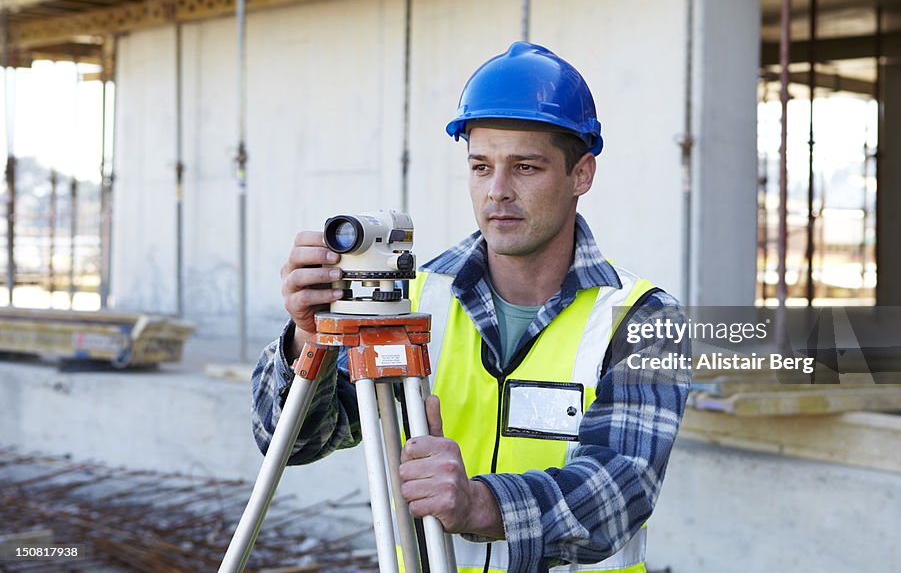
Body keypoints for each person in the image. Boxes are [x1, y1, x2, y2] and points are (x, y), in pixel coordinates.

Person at [251, 41, 690, 572]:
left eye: (525, 167)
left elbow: (619, 491)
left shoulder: (642, 318)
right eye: (481, 167)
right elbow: (293, 444)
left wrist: (480, 503)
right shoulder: (411, 302)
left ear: (582, 175)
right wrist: (308, 338)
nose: (497, 191)